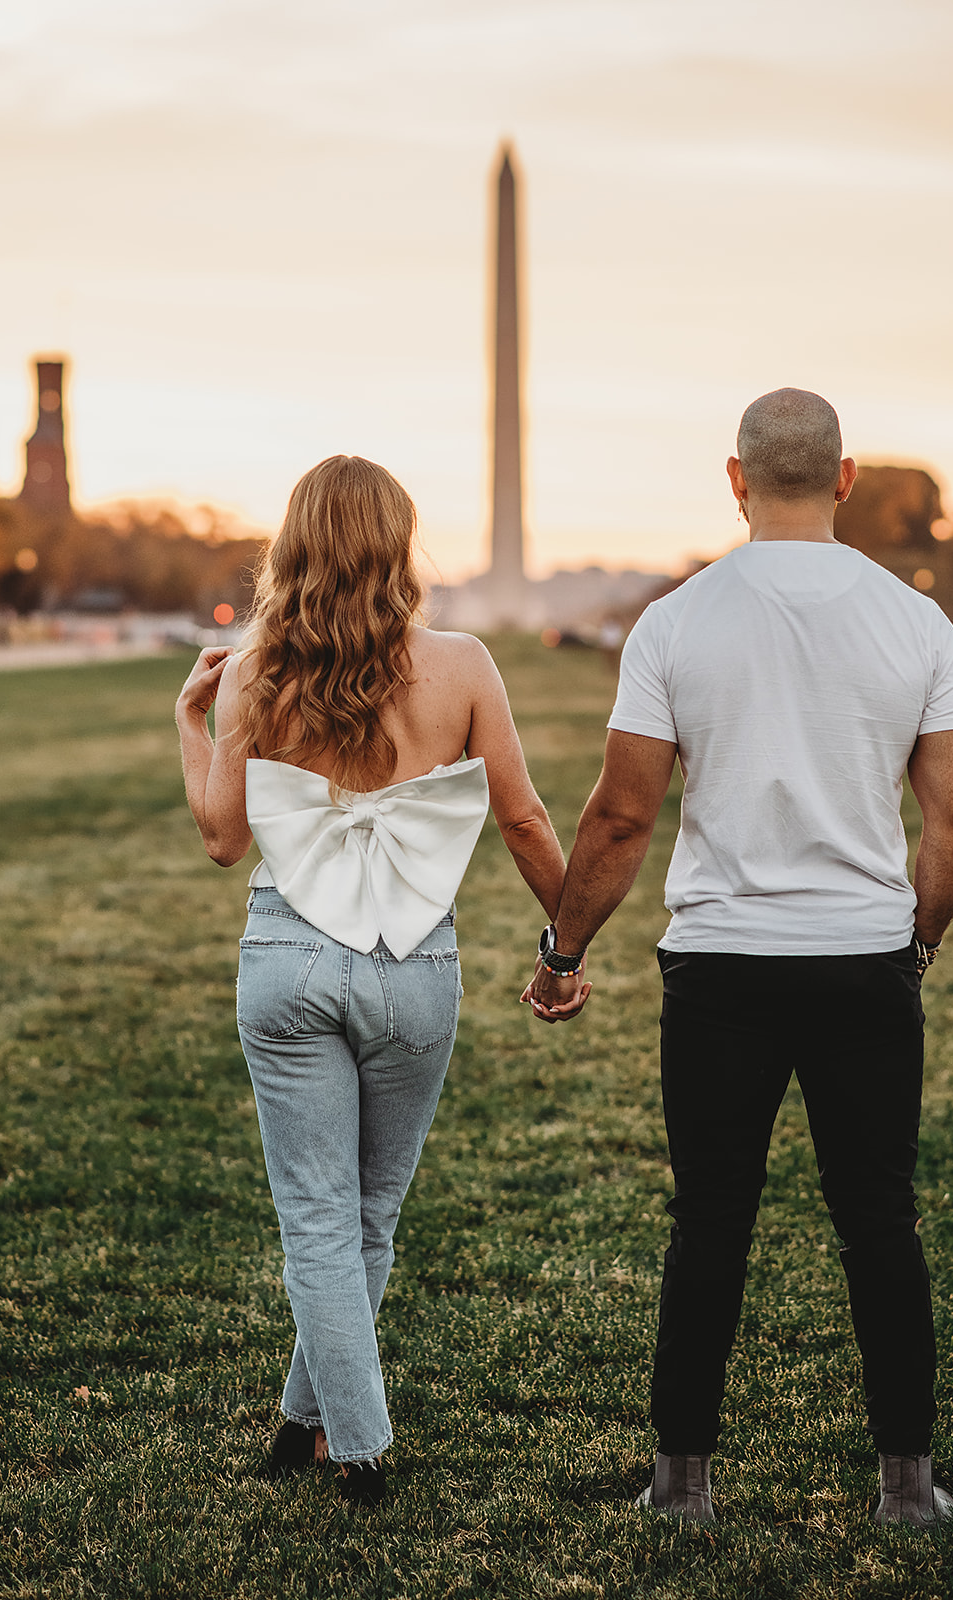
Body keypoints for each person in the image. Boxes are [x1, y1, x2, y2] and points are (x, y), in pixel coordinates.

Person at [522, 389, 953, 1527]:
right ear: (842, 479)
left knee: (711, 1220)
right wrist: (910, 946)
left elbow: (620, 818)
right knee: (877, 1219)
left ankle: (681, 1484)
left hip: (720, 967)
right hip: (863, 958)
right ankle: (906, 1489)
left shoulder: (676, 622)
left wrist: (560, 948)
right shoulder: (913, 622)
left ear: (733, 479)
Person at [177, 455, 566, 1505]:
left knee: (318, 1218)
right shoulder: (464, 664)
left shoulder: (257, 671)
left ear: (291, 548)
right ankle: (353, 1440)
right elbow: (524, 819)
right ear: (399, 545)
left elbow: (221, 839)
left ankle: (314, 1429)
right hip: (412, 968)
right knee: (367, 1215)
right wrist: (563, 943)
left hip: (286, 959)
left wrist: (187, 724)